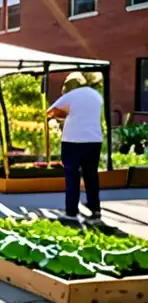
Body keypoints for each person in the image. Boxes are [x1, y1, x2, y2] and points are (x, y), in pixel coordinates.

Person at [48, 71, 104, 220]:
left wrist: (62, 116)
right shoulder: (95, 95)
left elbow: (51, 112)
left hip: (73, 140)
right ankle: (95, 207)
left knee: (72, 175)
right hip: (94, 139)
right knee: (91, 175)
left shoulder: (71, 96)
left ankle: (71, 211)